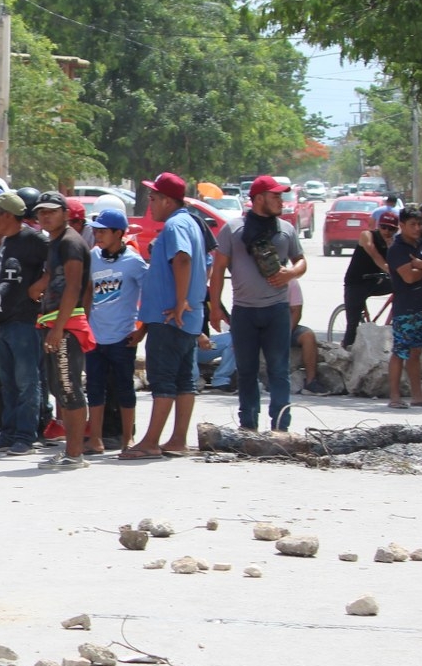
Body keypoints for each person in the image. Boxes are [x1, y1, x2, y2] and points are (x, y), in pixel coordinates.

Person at [208, 175, 307, 432]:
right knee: (246, 371)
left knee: (278, 371)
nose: (281, 201)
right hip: (244, 311)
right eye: (275, 196)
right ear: (259, 198)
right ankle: (248, 427)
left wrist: (291, 273)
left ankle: (281, 427)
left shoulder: (286, 229)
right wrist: (215, 307)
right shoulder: (233, 229)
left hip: (276, 310)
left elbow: (301, 260)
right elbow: (218, 270)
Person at [122, 172, 205, 459]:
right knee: (184, 380)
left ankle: (150, 442)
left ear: (169, 201)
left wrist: (180, 302)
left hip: (170, 318)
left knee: (163, 380)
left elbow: (182, 259)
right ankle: (177, 440)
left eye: (154, 198)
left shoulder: (175, 225)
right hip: (185, 320)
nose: (151, 203)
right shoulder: (191, 222)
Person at [0, 191, 49, 456]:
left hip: (25, 321)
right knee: (6, 383)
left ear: (8, 215)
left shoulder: (33, 239)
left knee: (27, 381)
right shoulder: (5, 243)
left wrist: (38, 287)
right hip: (3, 321)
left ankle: (26, 436)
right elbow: (0, 283)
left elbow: (61, 263)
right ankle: (8, 432)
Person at [30, 191, 94, 470]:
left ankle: (75, 454)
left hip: (65, 325)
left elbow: (75, 285)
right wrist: (40, 285)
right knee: (60, 387)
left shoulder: (70, 242)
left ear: (66, 214)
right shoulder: (55, 242)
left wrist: (58, 329)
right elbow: (56, 277)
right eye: (41, 212)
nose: (46, 216)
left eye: (52, 211)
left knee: (69, 388)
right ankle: (70, 450)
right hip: (56, 322)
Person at [84, 206, 145, 454]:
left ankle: (127, 438)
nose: (98, 236)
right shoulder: (92, 257)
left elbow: (150, 295)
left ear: (119, 233)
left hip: (123, 336)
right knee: (95, 388)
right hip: (96, 336)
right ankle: (95, 438)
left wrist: (142, 330)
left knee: (124, 388)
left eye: (103, 231)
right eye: (96, 231)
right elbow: (87, 292)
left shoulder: (134, 262)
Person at [384, 207, 422, 407]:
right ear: (402, 226)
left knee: (416, 351)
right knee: (400, 351)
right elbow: (408, 277)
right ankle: (394, 397)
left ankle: (418, 395)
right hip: (405, 308)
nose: (417, 228)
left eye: (419, 224)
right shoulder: (397, 249)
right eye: (413, 224)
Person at [342, 209, 396, 347]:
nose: (387, 231)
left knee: (400, 288)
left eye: (391, 229)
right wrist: (391, 270)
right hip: (356, 282)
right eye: (384, 227)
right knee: (352, 326)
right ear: (378, 226)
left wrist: (391, 247)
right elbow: (375, 256)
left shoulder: (393, 243)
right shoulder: (367, 235)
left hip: (375, 280)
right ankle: (345, 350)